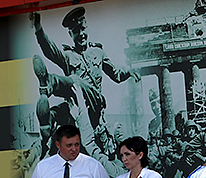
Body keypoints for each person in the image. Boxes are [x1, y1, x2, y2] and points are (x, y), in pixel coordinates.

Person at [30, 8, 137, 153]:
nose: (80, 34)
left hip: (95, 104)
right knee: (58, 111)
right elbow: (52, 51)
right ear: (70, 34)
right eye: (75, 31)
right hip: (76, 107)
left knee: (75, 81)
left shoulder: (98, 52)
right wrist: (38, 28)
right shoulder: (68, 56)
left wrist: (129, 71)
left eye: (82, 29)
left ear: (86, 28)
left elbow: (116, 74)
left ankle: (49, 82)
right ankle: (46, 125)